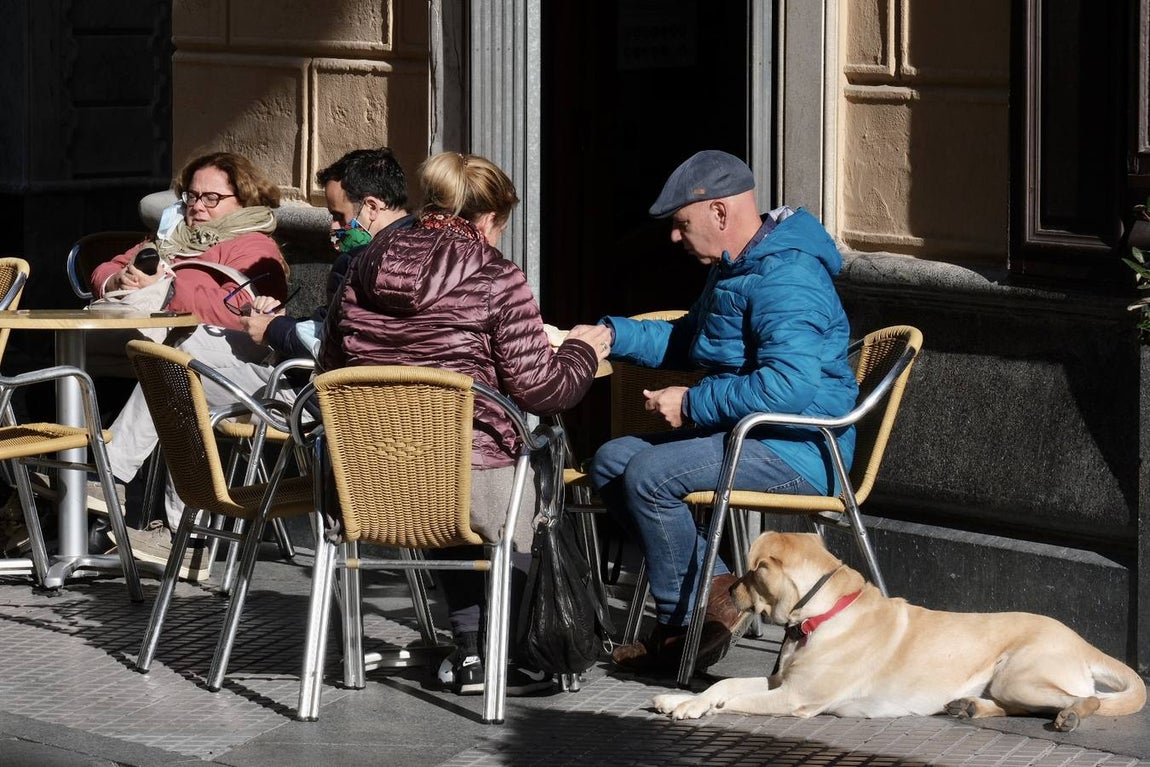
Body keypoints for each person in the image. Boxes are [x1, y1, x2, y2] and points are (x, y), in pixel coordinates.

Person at [322, 151, 612, 696]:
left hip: (369, 480)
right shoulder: (496, 277)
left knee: (435, 461)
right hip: (470, 487)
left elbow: (330, 373)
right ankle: (502, 650)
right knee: (515, 460)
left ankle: (474, 648)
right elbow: (542, 390)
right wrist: (580, 353)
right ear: (485, 220)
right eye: (500, 226)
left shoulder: (358, 269)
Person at [582, 149, 859, 674]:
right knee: (613, 460)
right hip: (750, 437)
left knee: (647, 475)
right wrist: (613, 333)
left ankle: (682, 629)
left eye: (681, 223)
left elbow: (790, 385)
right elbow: (691, 338)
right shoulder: (739, 269)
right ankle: (720, 596)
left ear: (721, 213)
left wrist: (690, 402)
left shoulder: (787, 276)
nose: (673, 237)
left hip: (799, 449)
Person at [90, 151, 289, 577]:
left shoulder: (255, 247)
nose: (198, 207)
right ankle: (183, 536)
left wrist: (165, 285)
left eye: (212, 198)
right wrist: (119, 279)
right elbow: (105, 267)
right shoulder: (174, 235)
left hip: (247, 378)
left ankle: (110, 478)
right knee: (171, 370)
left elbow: (235, 315)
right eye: (191, 196)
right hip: (188, 367)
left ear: (243, 199)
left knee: (174, 363)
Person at [240, 147, 414, 356]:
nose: (333, 227)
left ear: (372, 207)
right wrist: (282, 322)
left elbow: (334, 346)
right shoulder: (438, 247)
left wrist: (271, 329)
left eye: (339, 216)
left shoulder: (355, 262)